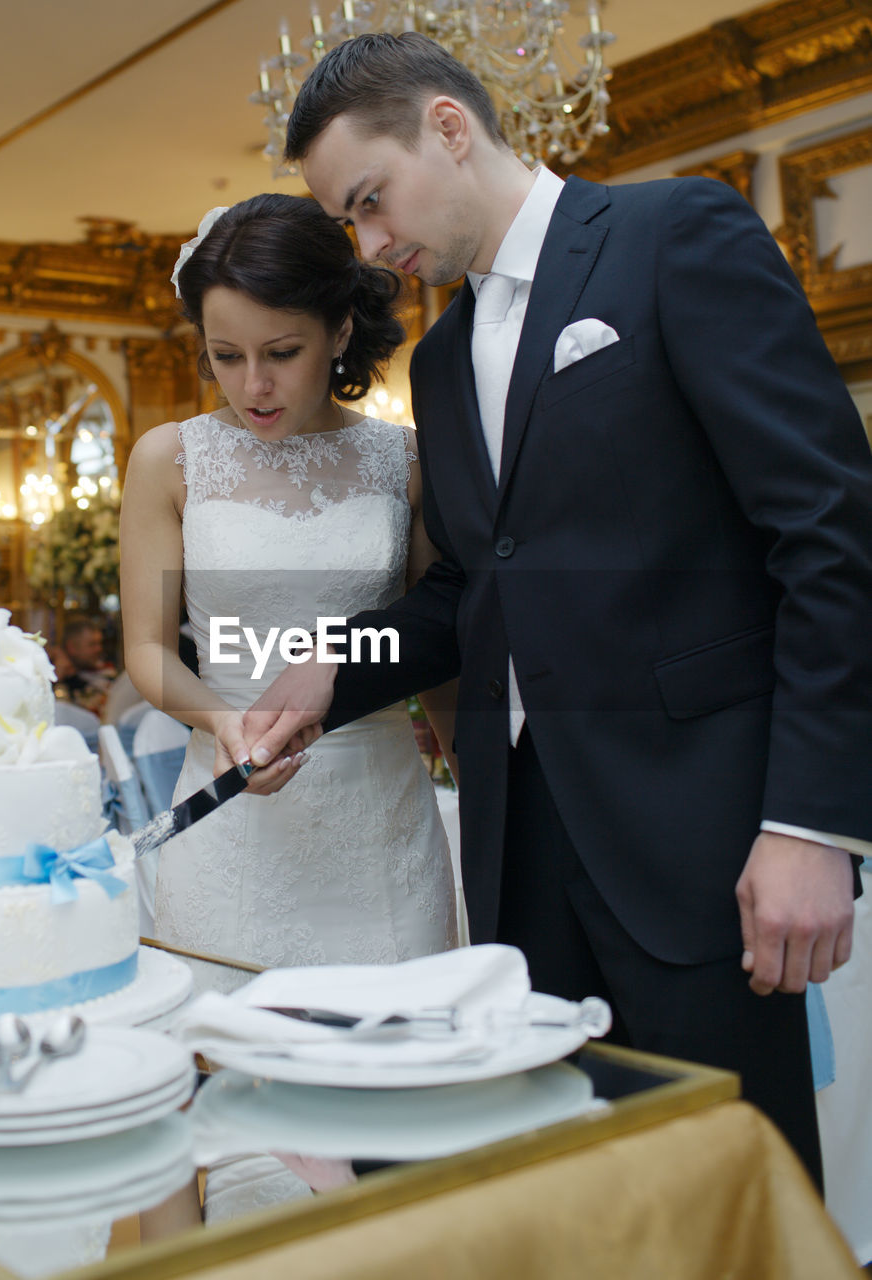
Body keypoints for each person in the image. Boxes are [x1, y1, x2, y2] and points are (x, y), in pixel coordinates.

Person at [243, 31, 872, 1190]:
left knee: (733, 1191)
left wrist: (811, 822)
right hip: (523, 847)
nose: (373, 249)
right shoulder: (435, 364)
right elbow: (478, 585)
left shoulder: (674, 235)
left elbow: (830, 531)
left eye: (372, 203)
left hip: (699, 835)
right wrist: (332, 667)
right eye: (350, 223)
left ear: (447, 124)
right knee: (568, 1200)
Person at [119, 192, 459, 977]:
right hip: (231, 816)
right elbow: (145, 648)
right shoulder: (168, 460)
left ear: (339, 331)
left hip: (381, 823)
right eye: (226, 355)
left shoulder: (402, 461)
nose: (253, 385)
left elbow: (435, 637)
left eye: (281, 352)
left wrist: (481, 788)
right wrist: (223, 725)